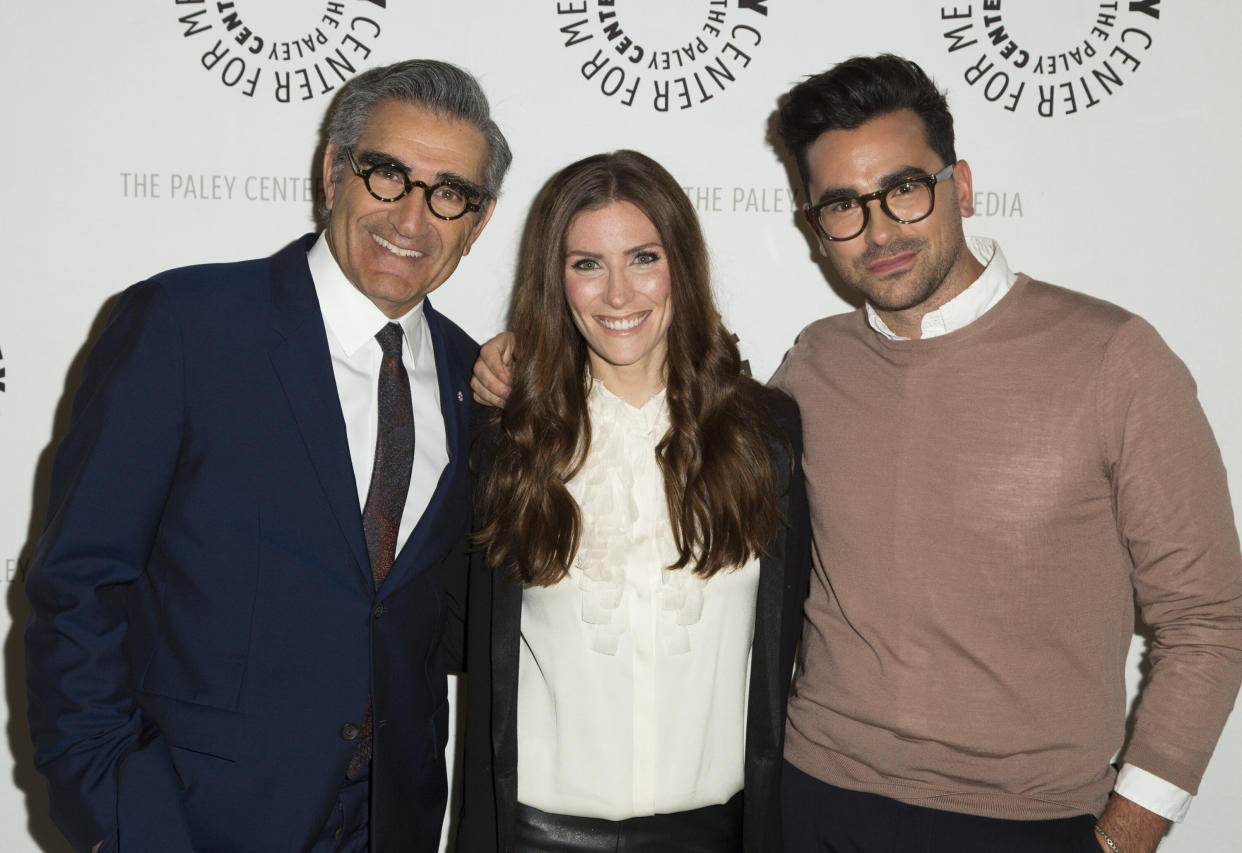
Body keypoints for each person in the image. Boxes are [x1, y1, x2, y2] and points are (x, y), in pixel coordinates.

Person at [471, 56, 1242, 853]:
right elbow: (653, 414)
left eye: (904, 188)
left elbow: (1210, 622)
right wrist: (515, 367)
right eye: (843, 204)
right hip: (812, 804)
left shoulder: (1113, 358)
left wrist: (1125, 836)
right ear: (814, 226)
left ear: (962, 186)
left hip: (1026, 822)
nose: (879, 230)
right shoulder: (813, 369)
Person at [24, 59, 510, 853]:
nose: (412, 218)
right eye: (387, 174)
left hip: (392, 826)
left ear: (478, 220)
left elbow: (445, 619)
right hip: (194, 820)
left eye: (448, 191)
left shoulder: (472, 379)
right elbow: (78, 587)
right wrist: (119, 816)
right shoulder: (186, 325)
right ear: (333, 171)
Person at [456, 150, 810, 852]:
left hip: (719, 834)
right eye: (587, 264)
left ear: (680, 263)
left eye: (642, 257)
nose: (617, 294)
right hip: (533, 835)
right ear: (555, 281)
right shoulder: (504, 439)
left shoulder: (766, 435)